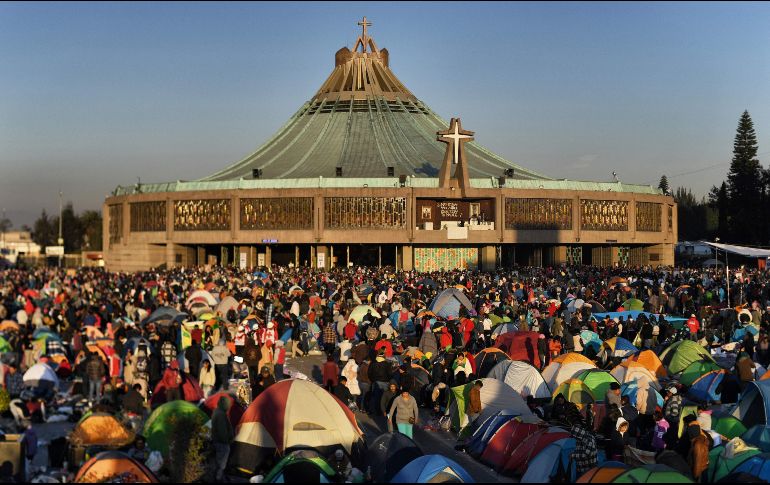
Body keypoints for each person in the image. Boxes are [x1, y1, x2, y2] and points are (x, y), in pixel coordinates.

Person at [211, 396, 234, 481]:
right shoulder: (221, 414)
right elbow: (222, 431)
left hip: (218, 441)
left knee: (219, 461)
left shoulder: (217, 411)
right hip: (222, 443)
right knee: (221, 463)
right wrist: (227, 441)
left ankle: (220, 477)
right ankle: (218, 478)